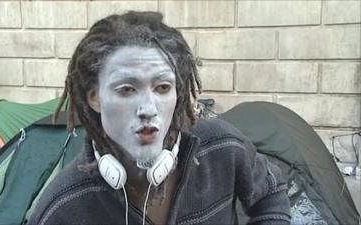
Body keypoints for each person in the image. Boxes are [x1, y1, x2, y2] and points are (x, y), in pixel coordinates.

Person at [28, 11, 290, 225]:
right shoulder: (61, 209)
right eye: (127, 90)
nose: (148, 109)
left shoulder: (223, 147)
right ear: (94, 98)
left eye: (162, 88)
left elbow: (271, 192)